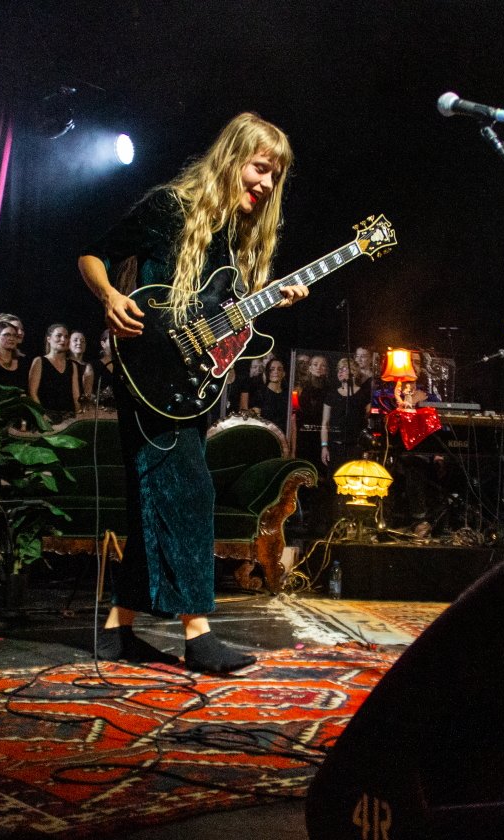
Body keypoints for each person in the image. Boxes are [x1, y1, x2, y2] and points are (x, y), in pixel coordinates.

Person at [77, 112, 307, 673]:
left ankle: (116, 631)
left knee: (153, 497)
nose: (266, 183)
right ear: (232, 159)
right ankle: (198, 636)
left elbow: (221, 316)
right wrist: (109, 295)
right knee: (191, 490)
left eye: (275, 175)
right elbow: (93, 253)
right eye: (260, 167)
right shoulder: (169, 209)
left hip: (189, 383)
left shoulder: (238, 237)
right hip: (148, 366)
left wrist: (269, 302)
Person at [27, 322, 80, 419]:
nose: (63, 339)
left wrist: (79, 416)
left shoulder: (72, 365)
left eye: (66, 336)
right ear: (49, 339)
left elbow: (76, 396)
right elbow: (32, 392)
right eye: (58, 336)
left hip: (68, 417)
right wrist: (43, 416)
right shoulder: (39, 361)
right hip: (47, 416)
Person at [68, 330, 94, 401]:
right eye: (75, 340)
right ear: (68, 344)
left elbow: (87, 393)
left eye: (82, 341)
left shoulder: (87, 367)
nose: (79, 343)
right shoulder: (62, 363)